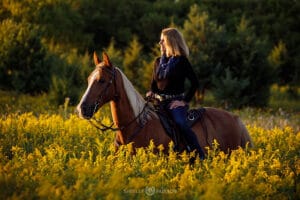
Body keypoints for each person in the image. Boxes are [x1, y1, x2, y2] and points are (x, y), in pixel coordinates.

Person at [146, 27, 205, 160]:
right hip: (158, 102)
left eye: (162, 41)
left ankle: (198, 153)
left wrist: (184, 101)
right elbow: (153, 85)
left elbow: (195, 83)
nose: (159, 43)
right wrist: (151, 93)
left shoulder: (181, 61)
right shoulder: (157, 62)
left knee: (180, 123)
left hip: (175, 103)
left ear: (170, 42)